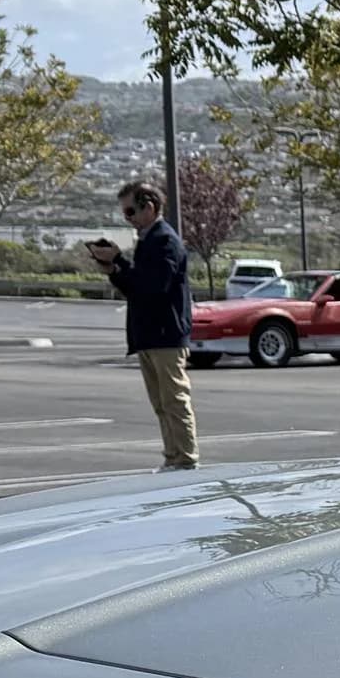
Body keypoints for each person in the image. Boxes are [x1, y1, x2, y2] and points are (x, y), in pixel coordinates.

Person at [87, 179, 198, 470]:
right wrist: (115, 267)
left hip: (165, 333)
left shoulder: (164, 240)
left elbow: (153, 286)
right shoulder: (150, 239)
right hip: (151, 334)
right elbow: (139, 285)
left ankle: (185, 460)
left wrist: (119, 262)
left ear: (149, 207)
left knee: (174, 400)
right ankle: (173, 457)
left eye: (130, 212)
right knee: (162, 403)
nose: (129, 220)